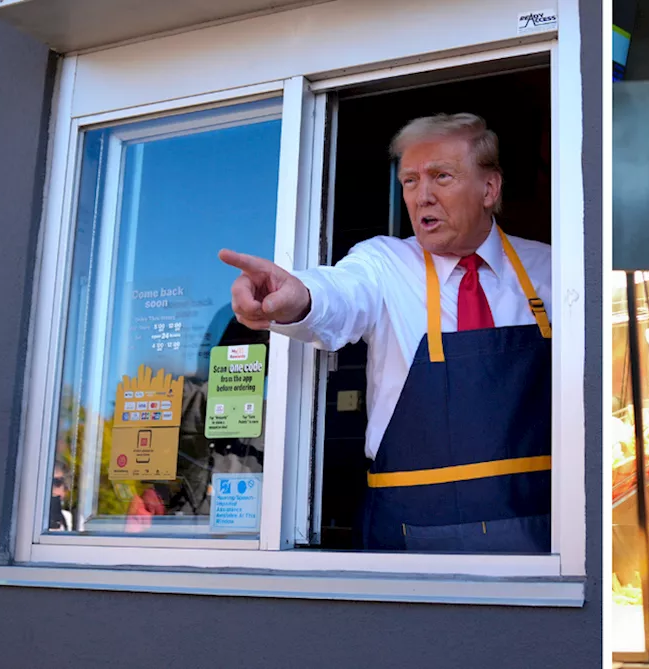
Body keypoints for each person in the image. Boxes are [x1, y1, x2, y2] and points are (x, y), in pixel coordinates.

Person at [219, 113, 552, 554]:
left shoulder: (553, 268)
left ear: (490, 189)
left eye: (441, 176)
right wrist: (297, 295)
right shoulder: (383, 263)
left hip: (539, 536)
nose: (422, 196)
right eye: (410, 181)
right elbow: (338, 293)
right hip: (410, 537)